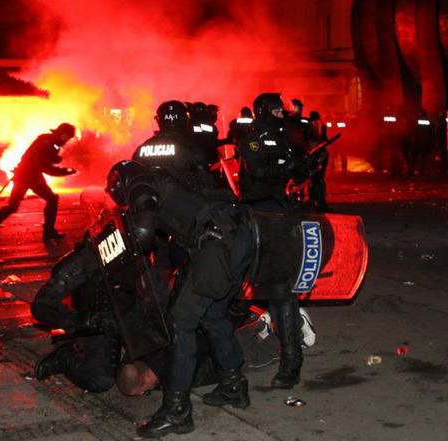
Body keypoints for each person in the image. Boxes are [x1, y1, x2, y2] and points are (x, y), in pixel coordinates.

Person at [105, 161, 253, 438]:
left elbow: (144, 231)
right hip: (235, 240)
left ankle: (177, 411)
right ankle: (234, 385)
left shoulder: (140, 185)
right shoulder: (163, 177)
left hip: (217, 247)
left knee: (181, 325)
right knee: (213, 316)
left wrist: (122, 250)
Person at [237, 92, 309, 390]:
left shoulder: (285, 138)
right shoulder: (253, 138)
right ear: (265, 111)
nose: (282, 116)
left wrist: (303, 167)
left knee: (281, 288)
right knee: (243, 287)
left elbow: (296, 170)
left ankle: (291, 359)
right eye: (278, 111)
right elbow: (257, 170)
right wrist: (284, 168)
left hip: (281, 218)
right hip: (257, 217)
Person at [30, 233, 121, 392]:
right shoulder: (95, 252)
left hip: (136, 324)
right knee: (100, 380)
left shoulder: (154, 246)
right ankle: (64, 356)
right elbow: (42, 305)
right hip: (100, 325)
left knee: (137, 380)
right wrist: (82, 321)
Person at [0, 123, 76, 245]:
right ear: (61, 134)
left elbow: (45, 163)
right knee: (49, 200)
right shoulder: (47, 142)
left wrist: (57, 163)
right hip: (28, 176)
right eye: (66, 137)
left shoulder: (50, 142)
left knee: (15, 206)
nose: (66, 140)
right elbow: (46, 167)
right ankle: (48, 231)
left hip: (28, 175)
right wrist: (66, 171)